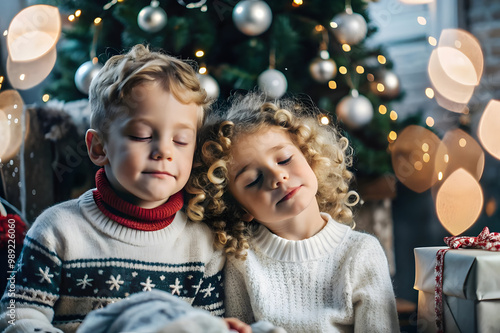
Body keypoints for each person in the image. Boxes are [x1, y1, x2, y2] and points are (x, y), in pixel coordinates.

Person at [0, 44, 230, 333]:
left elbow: (209, 326)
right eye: (141, 135)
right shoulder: (57, 230)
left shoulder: (203, 245)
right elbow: (17, 315)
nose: (163, 151)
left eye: (181, 140)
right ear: (99, 148)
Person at [186, 91, 400, 332]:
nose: (278, 177)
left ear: (311, 158)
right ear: (241, 208)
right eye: (254, 180)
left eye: (285, 159)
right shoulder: (241, 260)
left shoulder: (361, 253)